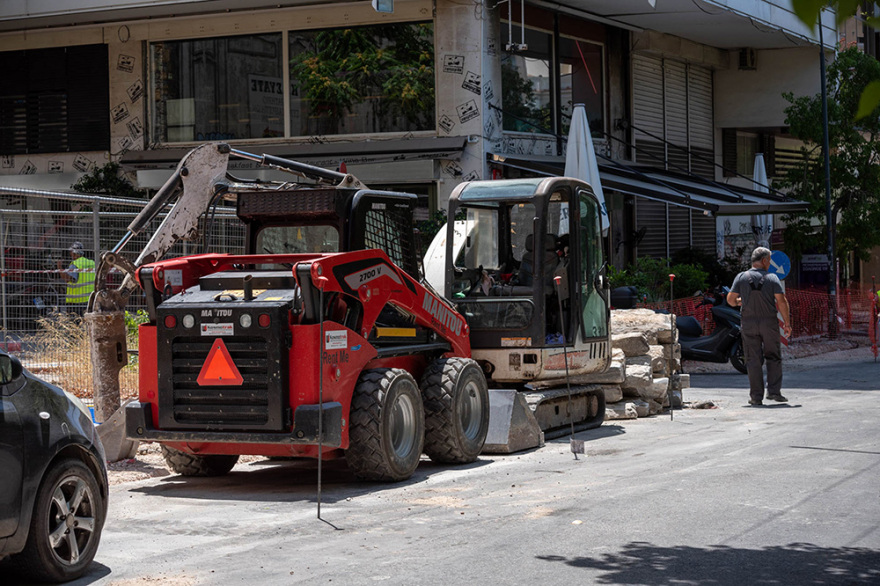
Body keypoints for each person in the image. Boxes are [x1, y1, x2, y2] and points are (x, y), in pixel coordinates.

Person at [727, 247, 792, 406]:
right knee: (773, 356)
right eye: (769, 260)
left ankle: (756, 397)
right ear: (763, 260)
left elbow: (730, 300)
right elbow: (781, 301)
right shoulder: (772, 278)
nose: (770, 264)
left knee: (753, 359)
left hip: (748, 324)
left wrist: (740, 301)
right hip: (769, 324)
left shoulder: (741, 277)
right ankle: (774, 392)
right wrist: (787, 324)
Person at [60, 241, 95, 314]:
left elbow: (67, 279)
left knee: (75, 321)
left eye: (71, 252)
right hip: (90, 300)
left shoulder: (75, 264)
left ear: (74, 253)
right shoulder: (92, 263)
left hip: (76, 302)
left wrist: (59, 267)